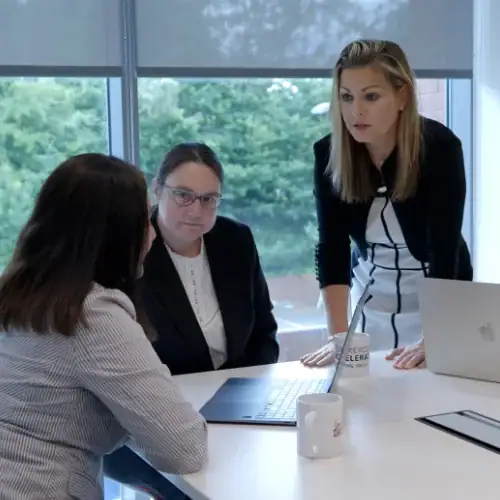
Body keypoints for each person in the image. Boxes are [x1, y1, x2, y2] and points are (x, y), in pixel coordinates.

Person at [0, 153, 208, 500]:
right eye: (145, 222)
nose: (153, 235)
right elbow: (184, 448)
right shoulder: (91, 316)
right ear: (114, 235)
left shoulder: (18, 294)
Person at [103, 142, 279, 498]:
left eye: (209, 199)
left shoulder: (235, 240)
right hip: (154, 416)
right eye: (183, 195)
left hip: (235, 410)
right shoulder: (132, 248)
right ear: (157, 191)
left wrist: (244, 392)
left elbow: (264, 332)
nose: (196, 211)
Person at [300, 39, 472, 370]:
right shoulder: (329, 153)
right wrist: (338, 338)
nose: (356, 111)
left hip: (437, 301)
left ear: (402, 96)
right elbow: (331, 248)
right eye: (346, 97)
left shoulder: (439, 148)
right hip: (372, 297)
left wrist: (433, 337)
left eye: (371, 96)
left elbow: (444, 250)